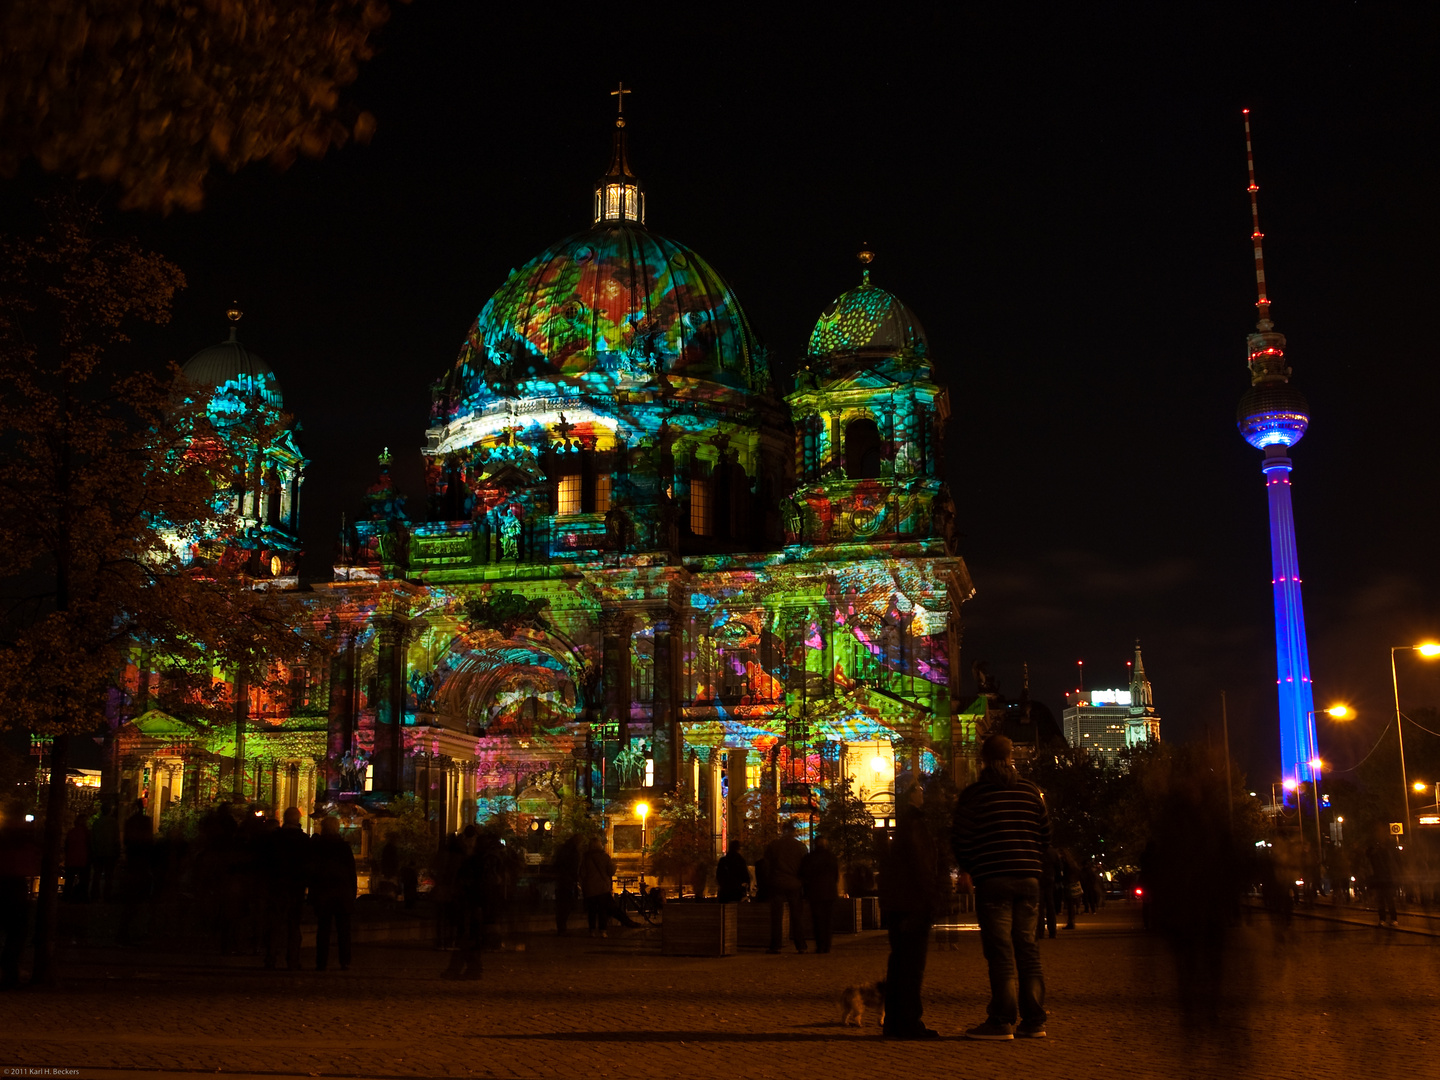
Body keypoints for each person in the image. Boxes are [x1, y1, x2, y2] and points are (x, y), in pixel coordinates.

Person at [952, 734, 1051, 1040]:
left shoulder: (974, 795)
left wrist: (971, 866)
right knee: (1028, 950)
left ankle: (1002, 1019)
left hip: (993, 879)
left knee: (1000, 952)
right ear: (1011, 759)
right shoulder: (1031, 792)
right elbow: (1045, 835)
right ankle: (1034, 1019)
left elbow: (961, 838)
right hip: (1029, 879)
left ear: (984, 761)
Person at [879, 785, 941, 1038]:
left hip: (900, 903)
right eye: (917, 789)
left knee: (900, 963)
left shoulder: (907, 824)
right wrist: (929, 898)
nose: (923, 792)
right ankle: (907, 1021)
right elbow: (921, 864)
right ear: (910, 797)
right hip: (911, 904)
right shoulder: (914, 824)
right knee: (911, 966)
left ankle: (896, 1021)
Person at [262, 807, 309, 970]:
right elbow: (307, 865)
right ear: (298, 820)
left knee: (274, 924)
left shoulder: (274, 839)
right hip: (296, 887)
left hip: (276, 886)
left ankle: (271, 957)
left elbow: (266, 863)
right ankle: (293, 959)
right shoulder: (303, 840)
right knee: (294, 925)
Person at [310, 816, 356, 971]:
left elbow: (314, 872)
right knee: (344, 930)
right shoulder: (343, 847)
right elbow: (351, 872)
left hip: (324, 893)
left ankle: (321, 961)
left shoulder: (318, 847)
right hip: (342, 894)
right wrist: (352, 893)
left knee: (323, 929)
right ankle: (345, 960)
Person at [764, 821, 808, 954]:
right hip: (794, 883)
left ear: (783, 831)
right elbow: (805, 867)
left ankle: (775, 945)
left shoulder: (774, 846)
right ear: (794, 831)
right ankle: (800, 945)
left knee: (776, 916)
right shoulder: (800, 847)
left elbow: (767, 865)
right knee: (796, 915)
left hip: (777, 883)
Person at [800, 835, 839, 954]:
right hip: (829, 891)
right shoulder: (831, 857)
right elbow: (835, 874)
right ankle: (827, 945)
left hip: (815, 892)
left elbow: (804, 874)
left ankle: (820, 945)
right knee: (828, 920)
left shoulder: (809, 858)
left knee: (818, 920)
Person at [580, 835, 615, 938]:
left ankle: (592, 930)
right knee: (602, 910)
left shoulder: (586, 858)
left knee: (592, 910)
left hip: (590, 888)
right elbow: (610, 871)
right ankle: (603, 930)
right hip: (603, 888)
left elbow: (583, 873)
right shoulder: (605, 857)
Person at [553, 833, 581, 935]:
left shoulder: (563, 850)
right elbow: (573, 867)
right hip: (568, 881)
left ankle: (561, 926)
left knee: (561, 905)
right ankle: (562, 926)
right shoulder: (573, 852)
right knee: (566, 905)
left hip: (562, 881)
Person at [63, 813, 91, 903]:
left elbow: (66, 846)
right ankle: (82, 897)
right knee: (84, 880)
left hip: (71, 859)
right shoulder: (86, 833)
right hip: (83, 860)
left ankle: (66, 897)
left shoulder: (71, 832)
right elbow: (89, 846)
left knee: (69, 880)